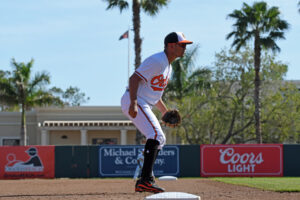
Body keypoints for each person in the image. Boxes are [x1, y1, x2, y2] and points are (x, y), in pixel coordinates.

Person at [121, 32, 193, 193]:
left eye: (185, 45)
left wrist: (164, 111)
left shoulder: (168, 66)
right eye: (182, 45)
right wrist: (133, 103)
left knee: (159, 139)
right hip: (135, 100)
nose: (185, 48)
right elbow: (133, 79)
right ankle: (145, 180)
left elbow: (154, 95)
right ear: (171, 46)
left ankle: (146, 179)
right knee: (155, 135)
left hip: (143, 102)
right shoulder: (158, 61)